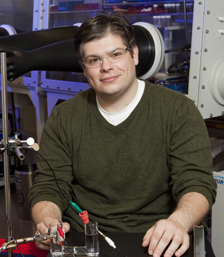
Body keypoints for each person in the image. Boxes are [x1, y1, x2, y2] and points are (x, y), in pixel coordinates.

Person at [28, 14, 217, 257]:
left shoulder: (178, 110)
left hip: (159, 236)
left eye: (115, 54)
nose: (106, 67)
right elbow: (49, 186)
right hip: (87, 238)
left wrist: (179, 223)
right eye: (94, 60)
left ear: (134, 55)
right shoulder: (64, 117)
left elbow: (197, 182)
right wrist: (48, 220)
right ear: (84, 69)